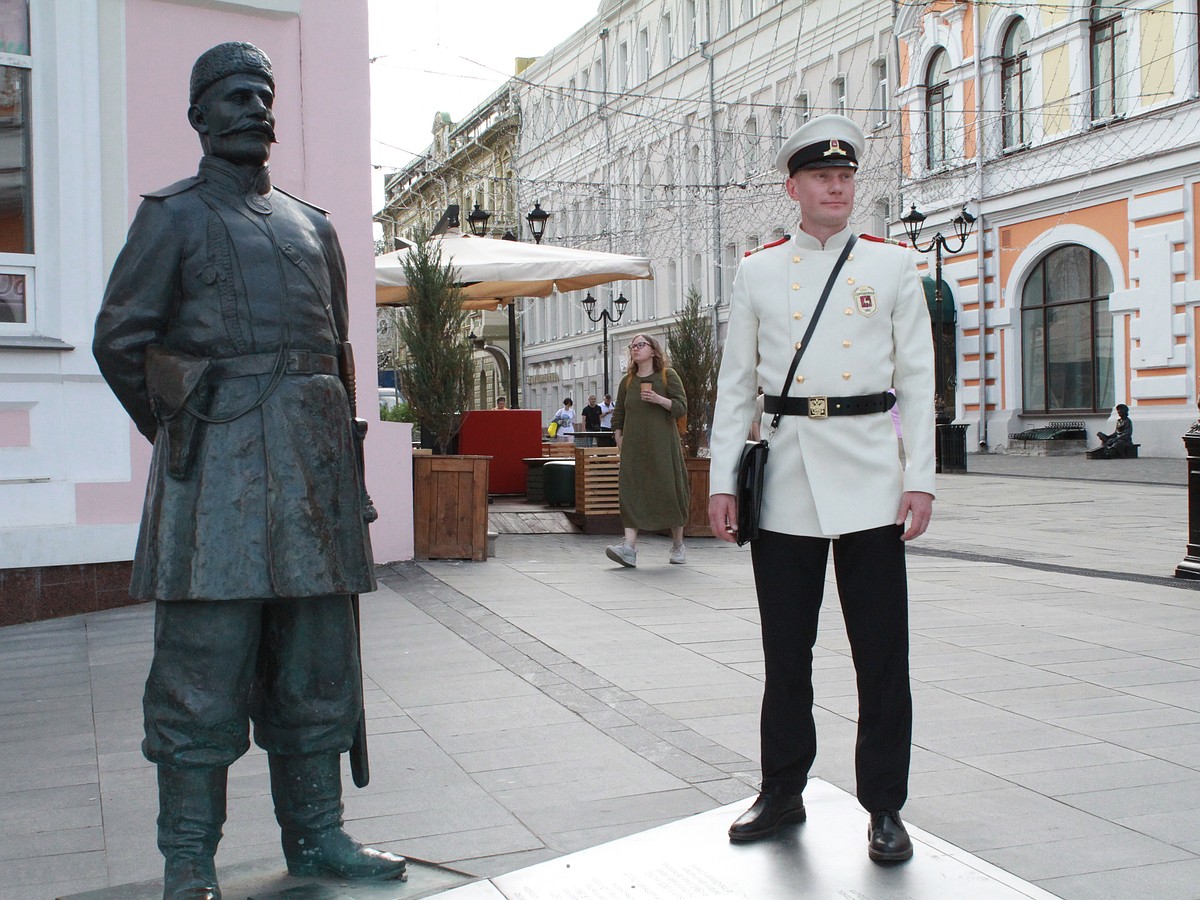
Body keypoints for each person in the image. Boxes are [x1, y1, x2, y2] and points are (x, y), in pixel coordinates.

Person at [92, 43, 406, 899]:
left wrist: (344, 468)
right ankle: (189, 860)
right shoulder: (172, 216)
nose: (253, 108)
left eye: (263, 95)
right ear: (199, 115)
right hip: (216, 487)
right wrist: (187, 432)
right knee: (200, 674)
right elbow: (120, 341)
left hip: (311, 484)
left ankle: (319, 837)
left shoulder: (315, 225)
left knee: (315, 669)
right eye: (233, 96)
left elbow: (337, 354)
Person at [707, 113, 935, 864]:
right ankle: (781, 790)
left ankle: (886, 808)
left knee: (881, 654)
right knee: (786, 652)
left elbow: (919, 384)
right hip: (789, 477)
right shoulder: (757, 271)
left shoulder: (894, 267)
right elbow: (735, 385)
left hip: (871, 474)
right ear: (793, 187)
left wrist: (921, 478)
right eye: (821, 178)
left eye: (845, 177)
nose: (836, 187)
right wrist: (721, 482)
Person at [606, 334, 690, 567]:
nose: (635, 349)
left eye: (640, 345)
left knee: (670, 490)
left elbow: (681, 407)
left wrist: (658, 399)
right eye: (632, 346)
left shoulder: (667, 376)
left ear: (653, 350)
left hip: (663, 445)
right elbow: (619, 413)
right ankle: (629, 548)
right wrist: (618, 438)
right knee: (631, 492)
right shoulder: (628, 381)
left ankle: (678, 544)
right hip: (634, 447)